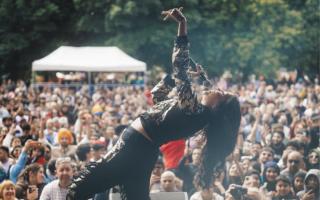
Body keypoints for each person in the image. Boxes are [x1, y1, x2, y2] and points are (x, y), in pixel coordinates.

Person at [67, 7, 241, 200]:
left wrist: (182, 26)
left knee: (77, 191)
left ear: (219, 107)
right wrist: (176, 79)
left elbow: (179, 66)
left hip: (135, 147)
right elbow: (158, 95)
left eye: (221, 94)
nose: (216, 89)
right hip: (141, 150)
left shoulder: (196, 111)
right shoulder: (193, 111)